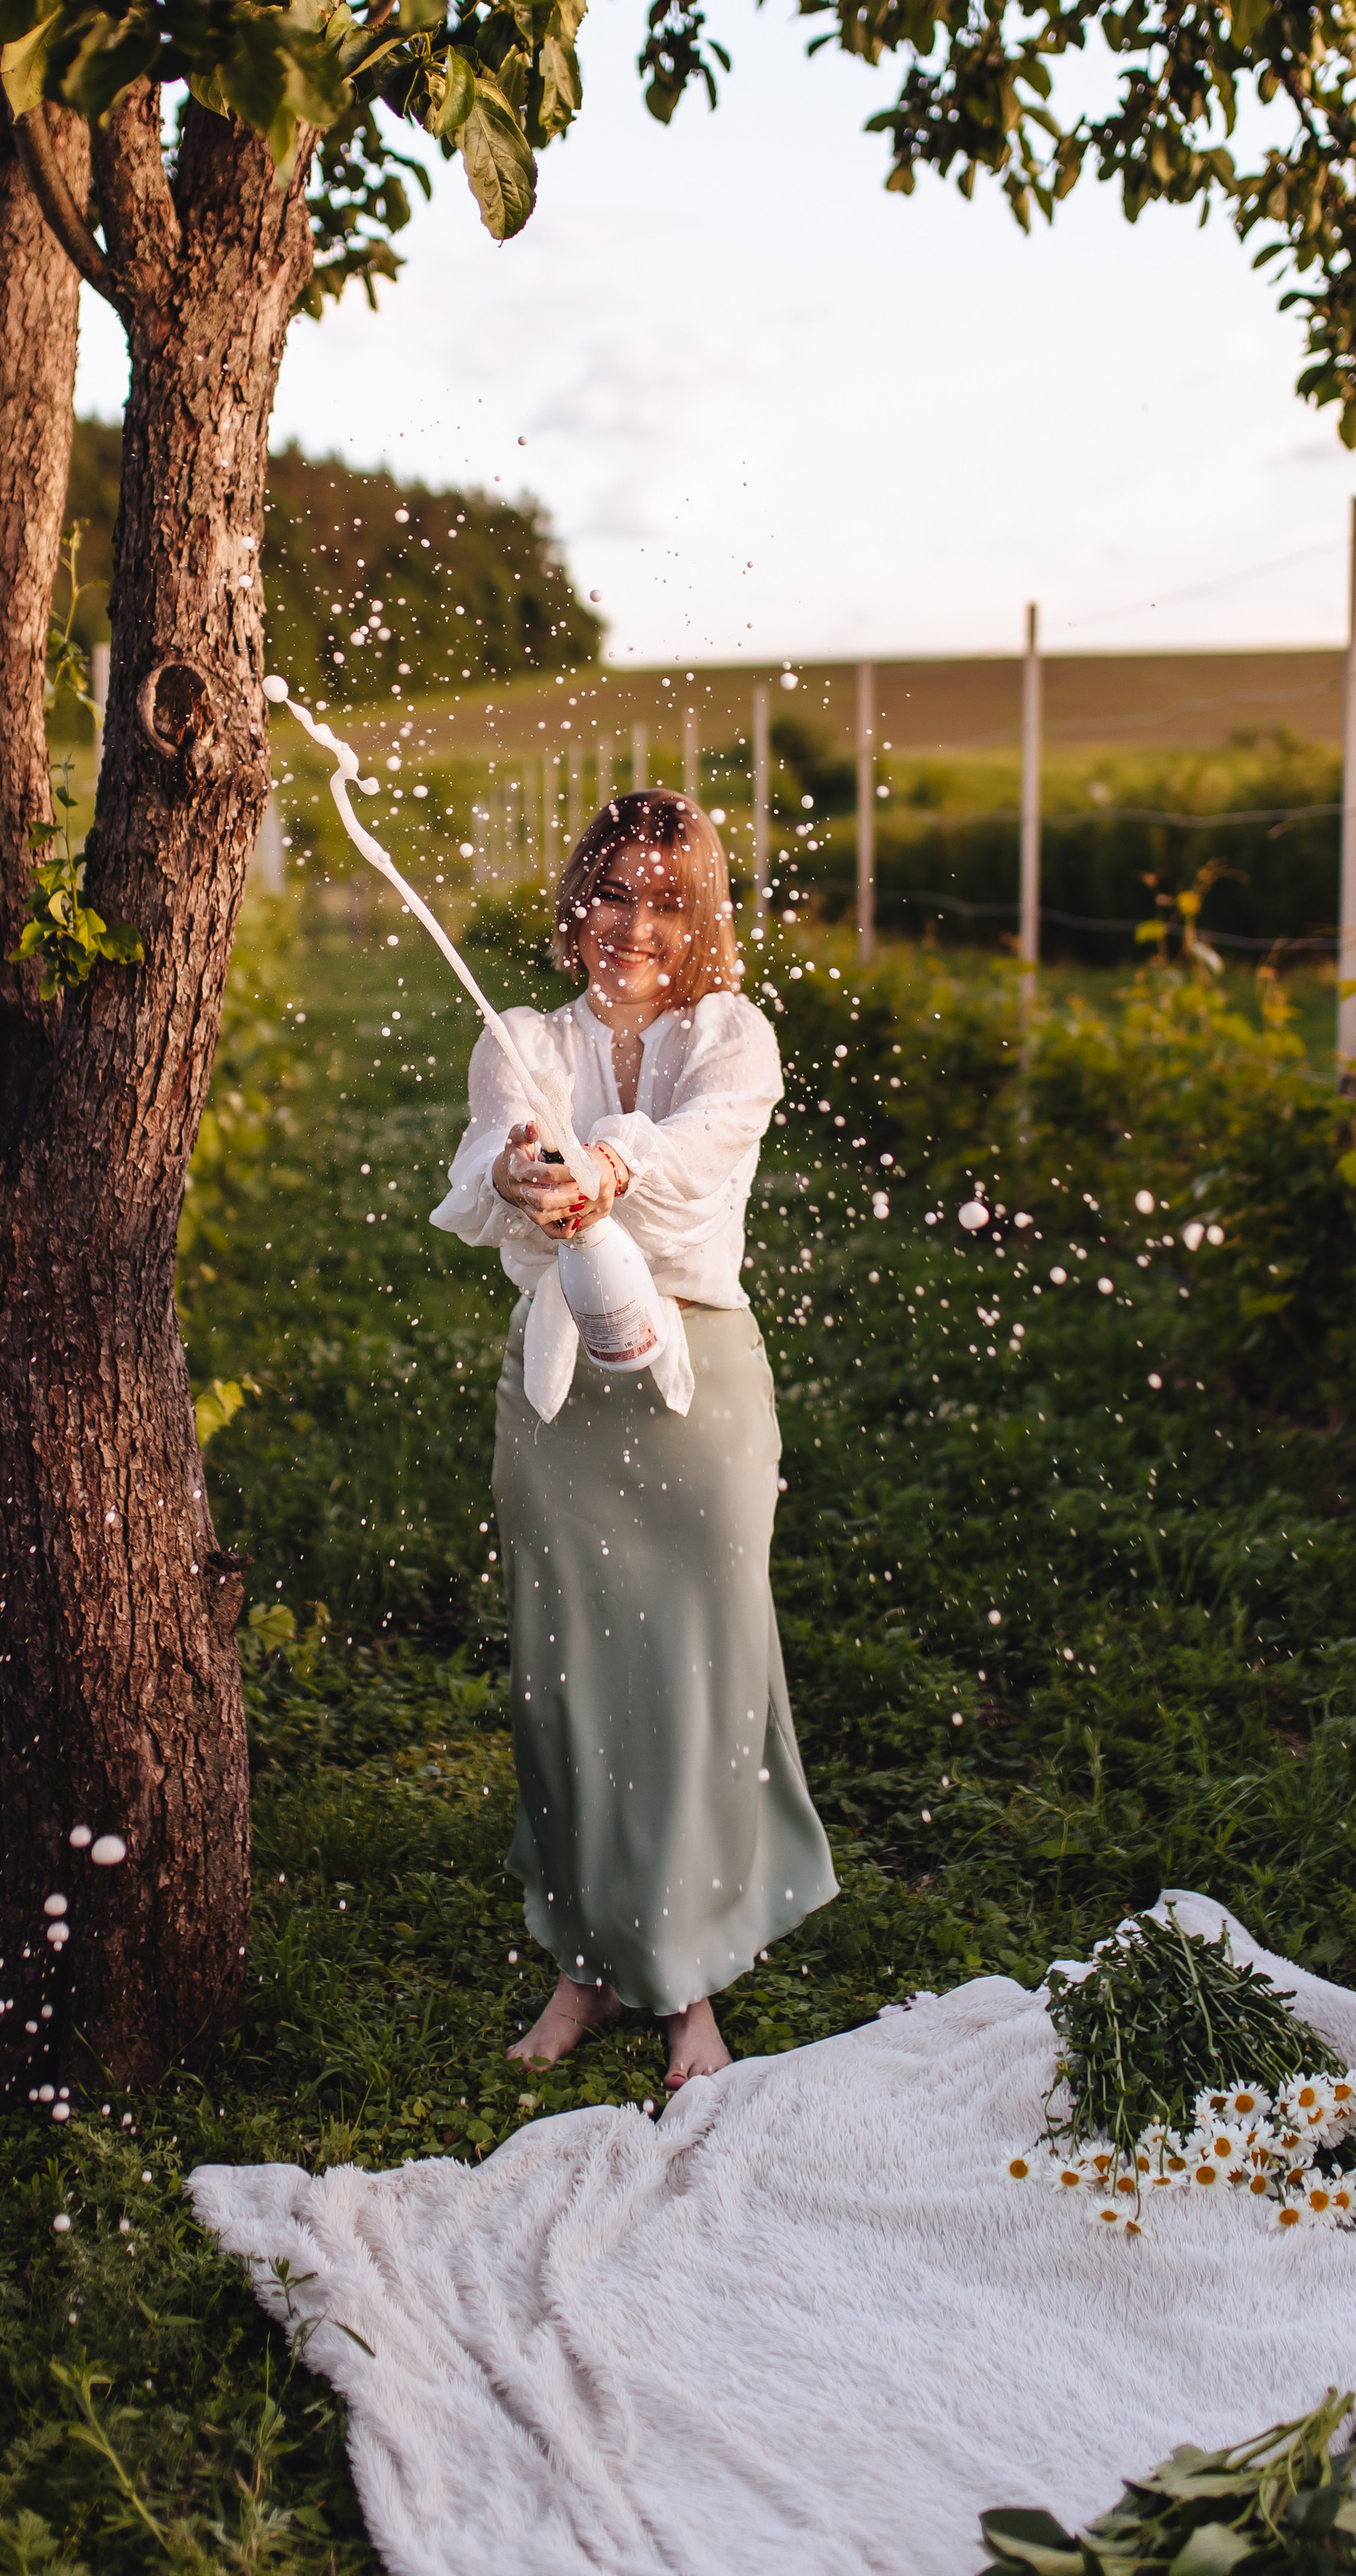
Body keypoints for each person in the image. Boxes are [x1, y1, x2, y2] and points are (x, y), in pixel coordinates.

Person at [431, 791, 838, 2091]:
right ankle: (585, 1965)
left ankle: (690, 1981)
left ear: (701, 917)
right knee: (567, 1674)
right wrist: (519, 1176)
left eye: (667, 901)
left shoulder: (735, 1035)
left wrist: (609, 1166)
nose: (634, 924)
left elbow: (699, 1149)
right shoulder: (525, 1038)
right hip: (562, 1394)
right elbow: (488, 1158)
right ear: (578, 903)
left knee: (696, 1672)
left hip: (697, 1383)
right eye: (613, 892)